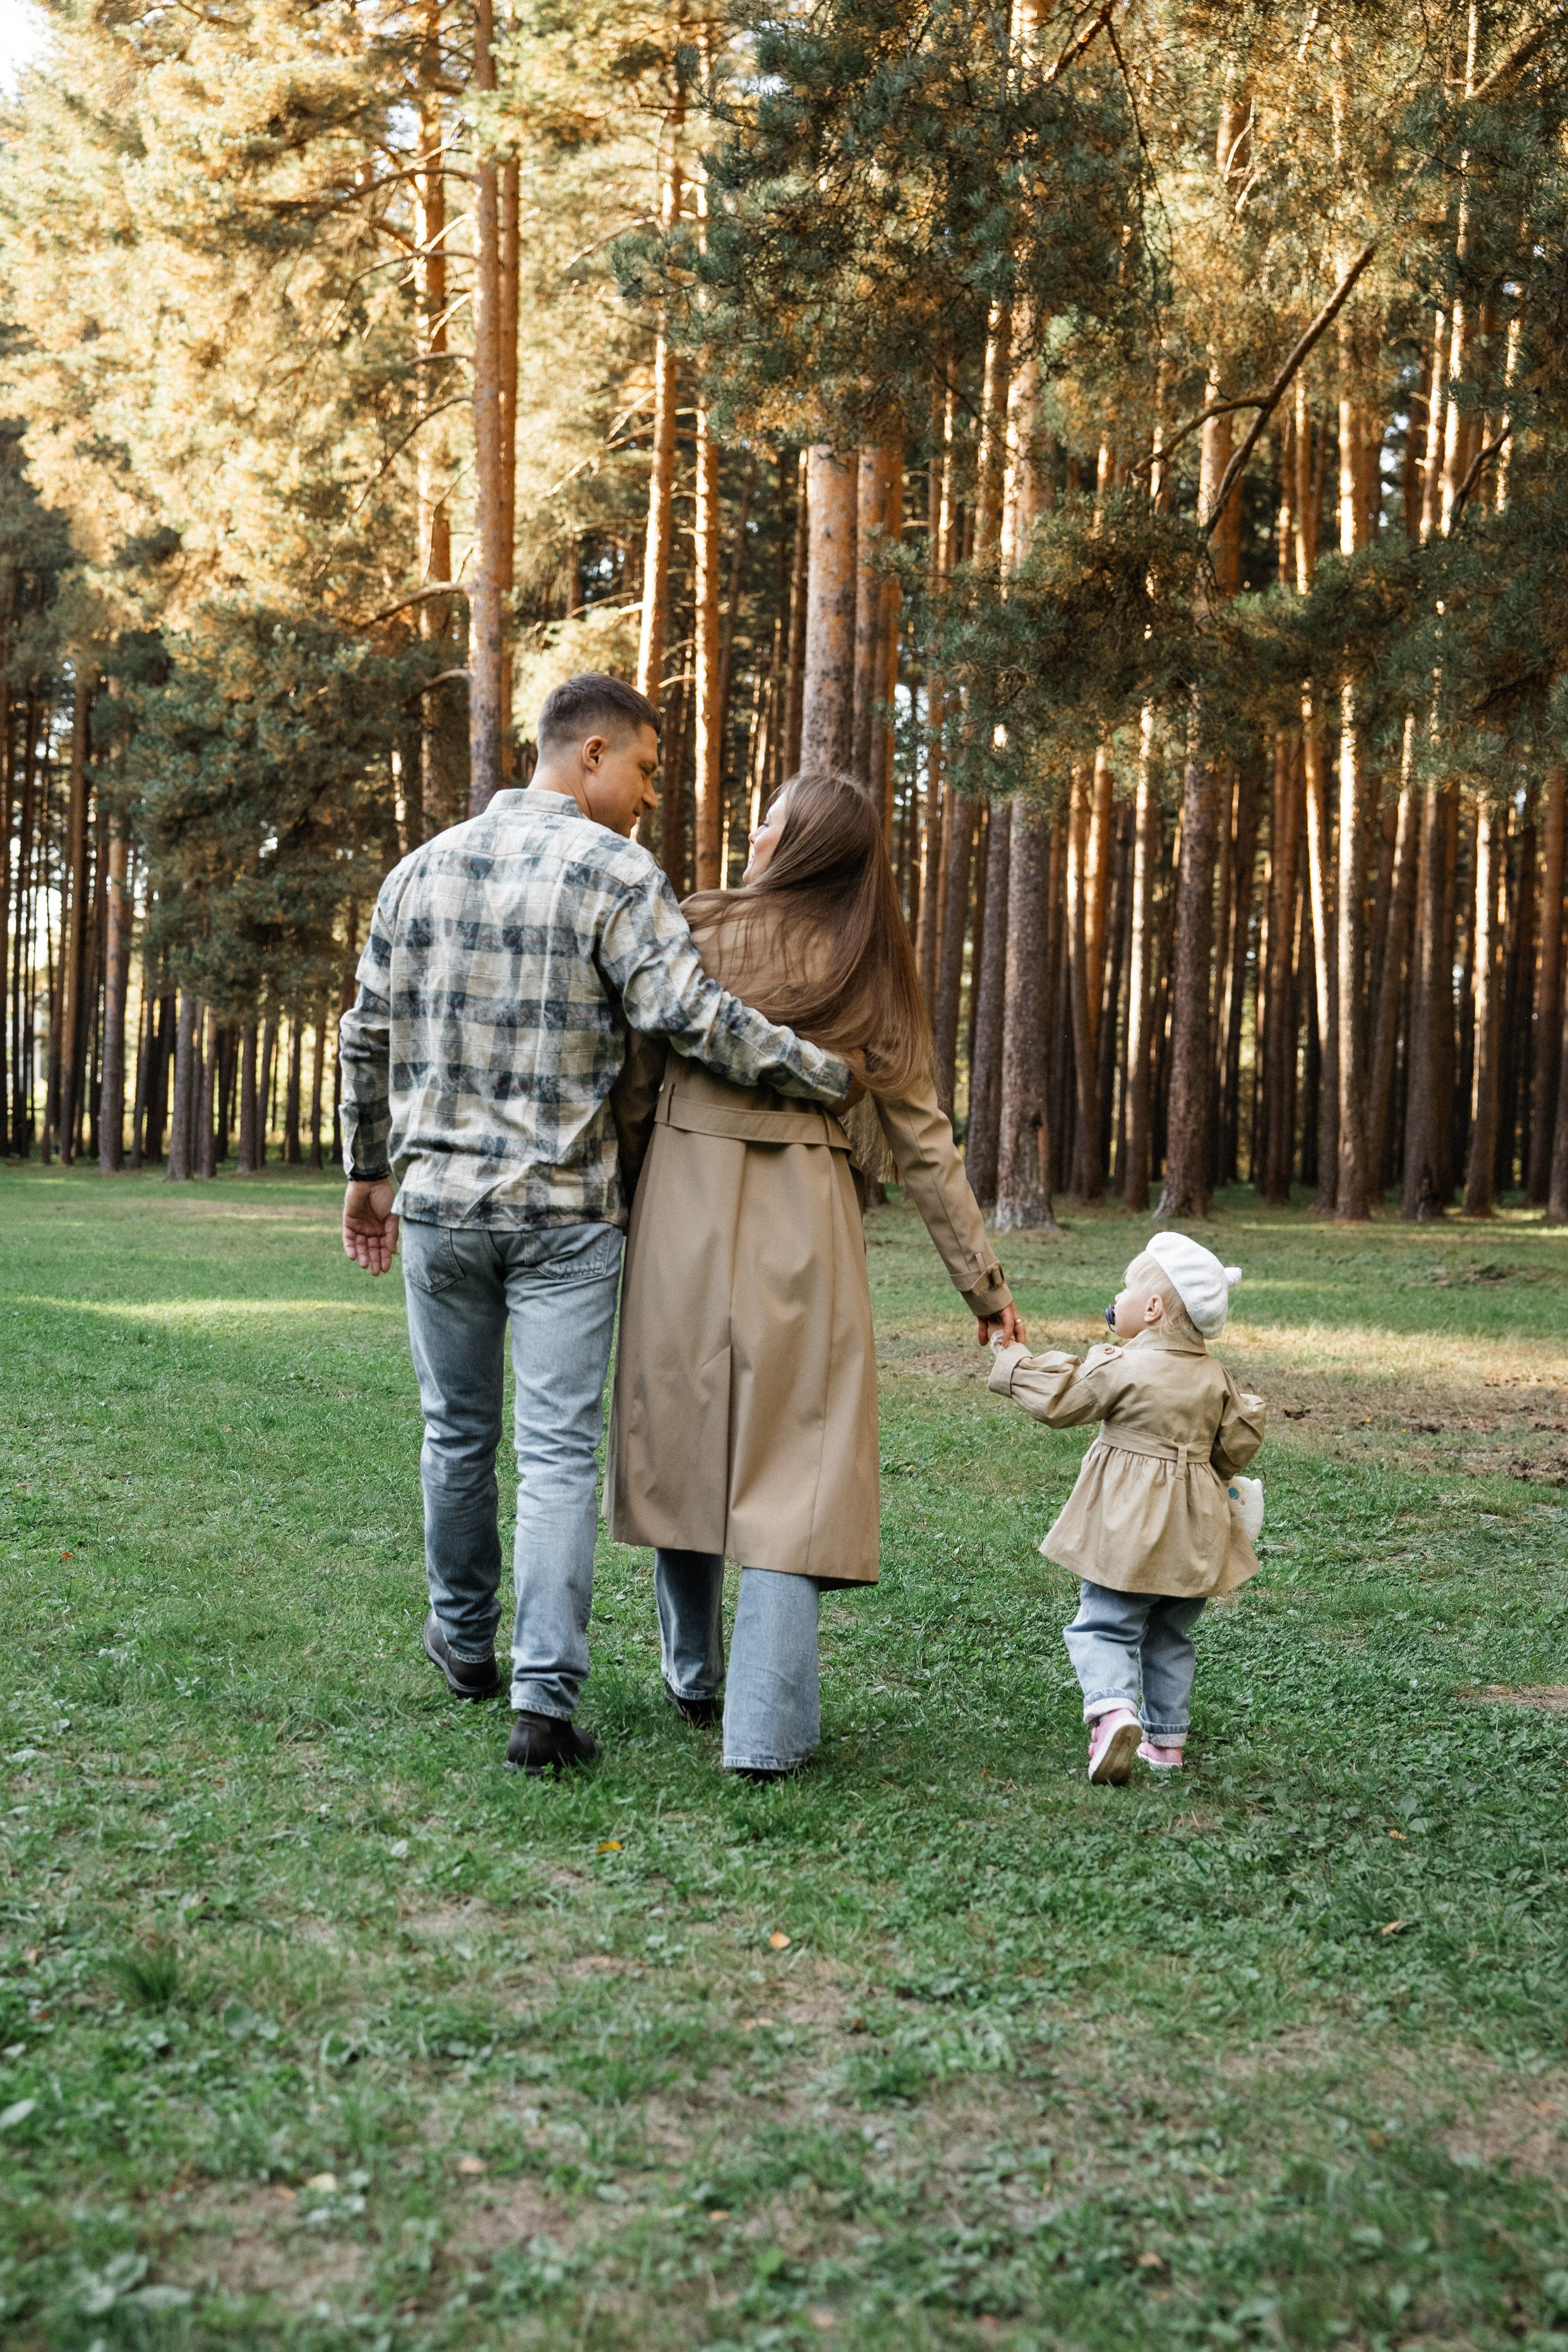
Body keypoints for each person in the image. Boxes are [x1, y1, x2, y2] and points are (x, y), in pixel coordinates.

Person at [337, 675, 852, 1776]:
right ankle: (540, 1697)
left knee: (455, 1433)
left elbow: (365, 1035)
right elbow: (685, 1012)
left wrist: (362, 1172)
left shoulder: (416, 871)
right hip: (567, 1216)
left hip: (436, 1208)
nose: (649, 796)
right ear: (590, 754)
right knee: (558, 1451)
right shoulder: (617, 870)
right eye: (646, 770)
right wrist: (818, 1070)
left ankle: (463, 1642)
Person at [607, 769, 1026, 1780]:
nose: (754, 831)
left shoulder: (695, 923)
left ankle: (693, 1676)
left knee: (684, 1426)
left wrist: (626, 1197)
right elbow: (924, 1145)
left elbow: (631, 1081)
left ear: (800, 848)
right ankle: (765, 1734)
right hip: (808, 1210)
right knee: (793, 1458)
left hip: (682, 1198)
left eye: (772, 821)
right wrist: (985, 1288)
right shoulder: (869, 967)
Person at [986, 1233, 1267, 1785]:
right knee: (1169, 1634)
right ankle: (1165, 1743)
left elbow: (1062, 1399)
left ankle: (1112, 1712)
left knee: (1104, 1625)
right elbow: (1233, 1447)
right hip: (1195, 1535)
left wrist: (1012, 1360)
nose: (1120, 1294)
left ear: (1154, 1307)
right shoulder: (1216, 1377)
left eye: (1127, 1286)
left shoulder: (1123, 1366)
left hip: (1128, 1529)